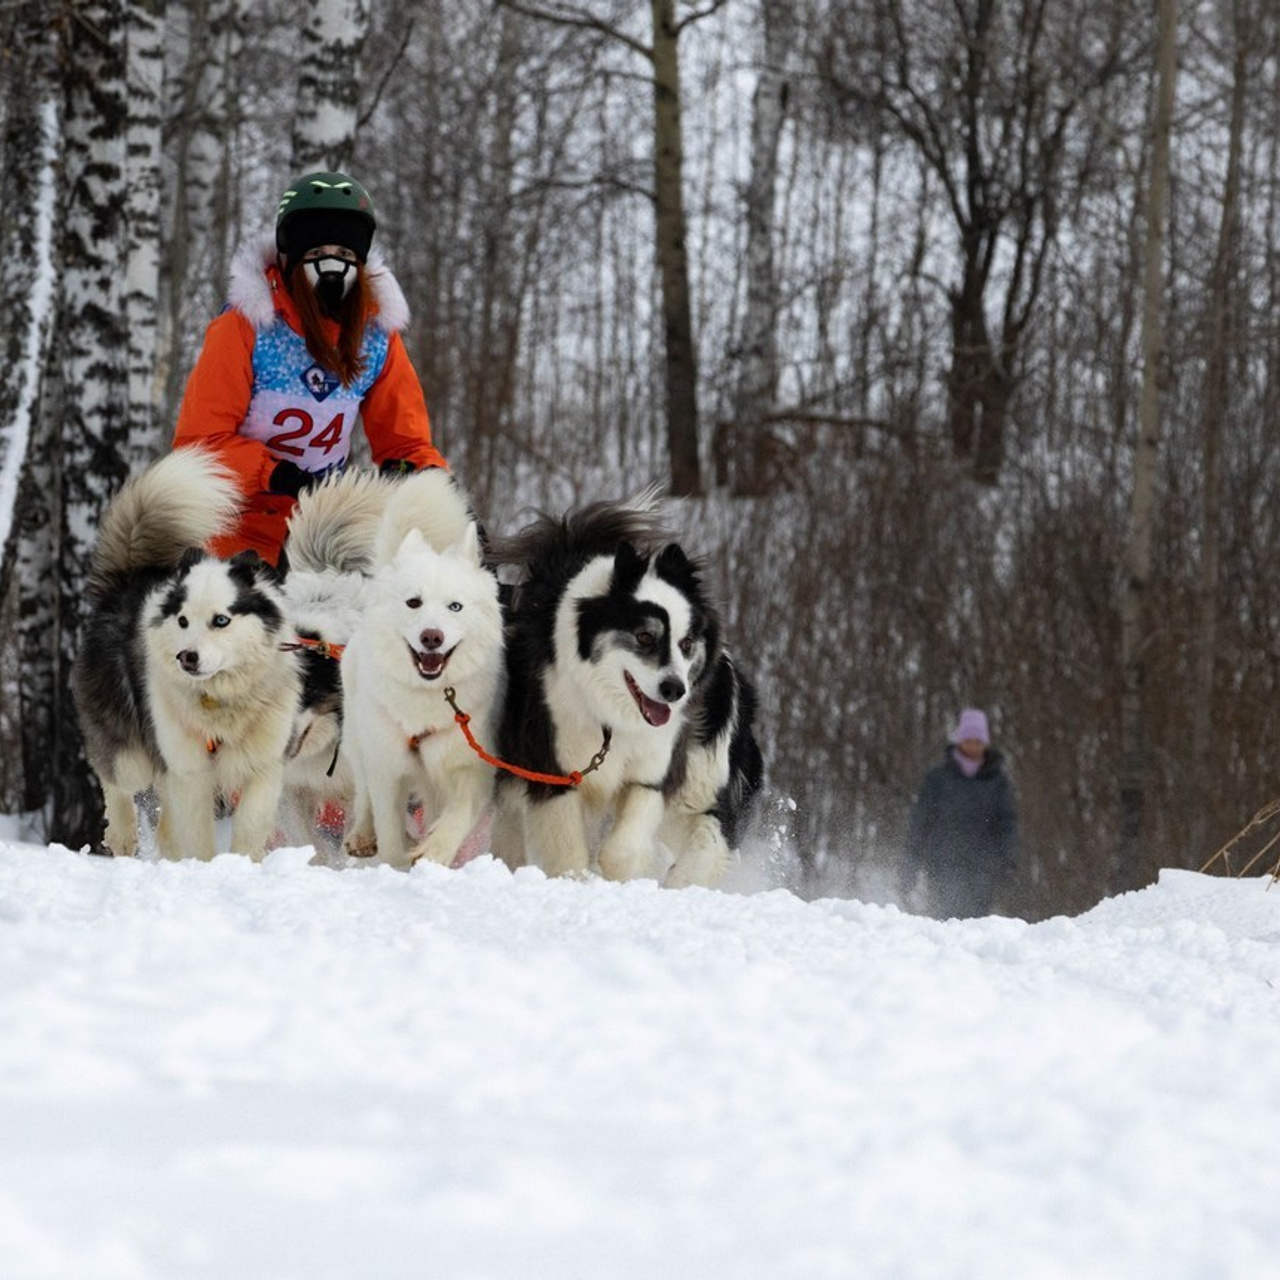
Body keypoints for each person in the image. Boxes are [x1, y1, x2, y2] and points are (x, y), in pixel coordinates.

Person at [174, 170, 447, 564]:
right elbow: (198, 445)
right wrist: (275, 474)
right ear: (289, 260)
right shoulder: (246, 326)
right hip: (233, 528)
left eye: (346, 256)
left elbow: (404, 445)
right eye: (317, 256)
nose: (332, 268)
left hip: (320, 531)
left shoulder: (375, 335)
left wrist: (439, 493)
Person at [900, 707, 1019, 919]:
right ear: (960, 741)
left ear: (985, 743)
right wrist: (910, 863)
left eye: (978, 741)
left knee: (974, 929)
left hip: (982, 871)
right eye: (969, 740)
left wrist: (1007, 860)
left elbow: (1007, 824)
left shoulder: (997, 782)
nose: (973, 746)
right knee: (944, 925)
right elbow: (920, 822)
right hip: (942, 867)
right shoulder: (938, 779)